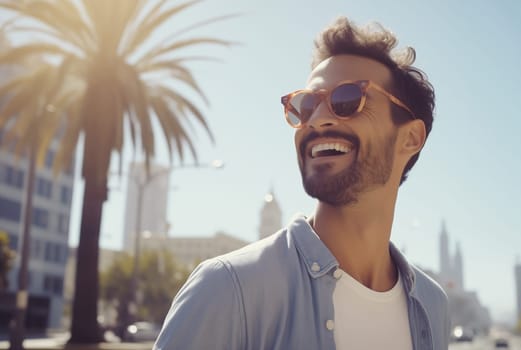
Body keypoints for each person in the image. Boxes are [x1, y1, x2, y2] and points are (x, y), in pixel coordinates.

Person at [155, 17, 449, 350]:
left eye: (348, 99)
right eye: (306, 105)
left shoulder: (432, 306)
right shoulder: (228, 289)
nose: (317, 119)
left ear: (410, 137)